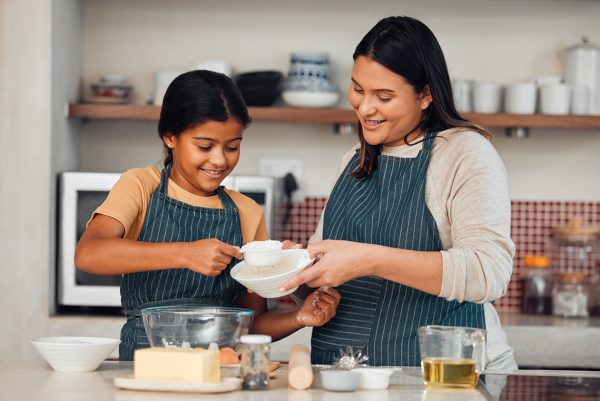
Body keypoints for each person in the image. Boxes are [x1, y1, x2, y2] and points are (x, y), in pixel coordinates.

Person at [281, 16, 517, 370]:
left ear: (425, 94)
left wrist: (368, 259)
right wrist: (299, 270)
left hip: (445, 378)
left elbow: (488, 272)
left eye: (384, 96)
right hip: (347, 379)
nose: (365, 108)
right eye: (358, 89)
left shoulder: (464, 153)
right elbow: (329, 282)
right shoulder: (353, 160)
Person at [75, 70, 340, 361]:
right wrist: (186, 254)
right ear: (170, 136)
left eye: (232, 147)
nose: (219, 160)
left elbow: (251, 324)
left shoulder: (247, 212)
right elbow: (90, 253)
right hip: (146, 368)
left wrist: (298, 316)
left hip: (221, 373)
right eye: (204, 146)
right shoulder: (140, 186)